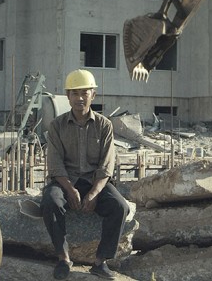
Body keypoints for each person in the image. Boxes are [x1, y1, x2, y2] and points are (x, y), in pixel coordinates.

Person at [41, 69, 129, 280]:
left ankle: (101, 262)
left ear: (93, 95)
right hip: (65, 180)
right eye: (75, 93)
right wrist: (70, 190)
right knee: (50, 202)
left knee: (120, 207)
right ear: (68, 96)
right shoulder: (56, 126)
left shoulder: (104, 125)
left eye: (85, 93)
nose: (80, 98)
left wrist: (94, 193)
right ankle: (63, 258)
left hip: (94, 181)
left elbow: (107, 165)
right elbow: (55, 164)